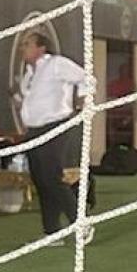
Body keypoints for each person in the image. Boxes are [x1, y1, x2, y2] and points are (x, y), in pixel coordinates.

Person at [14, 31, 92, 241]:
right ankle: (51, 231)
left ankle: (80, 223)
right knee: (40, 179)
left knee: (51, 176)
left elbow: (86, 78)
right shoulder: (29, 74)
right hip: (33, 130)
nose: (23, 48)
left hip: (54, 126)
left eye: (27, 44)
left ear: (41, 48)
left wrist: (82, 102)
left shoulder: (57, 64)